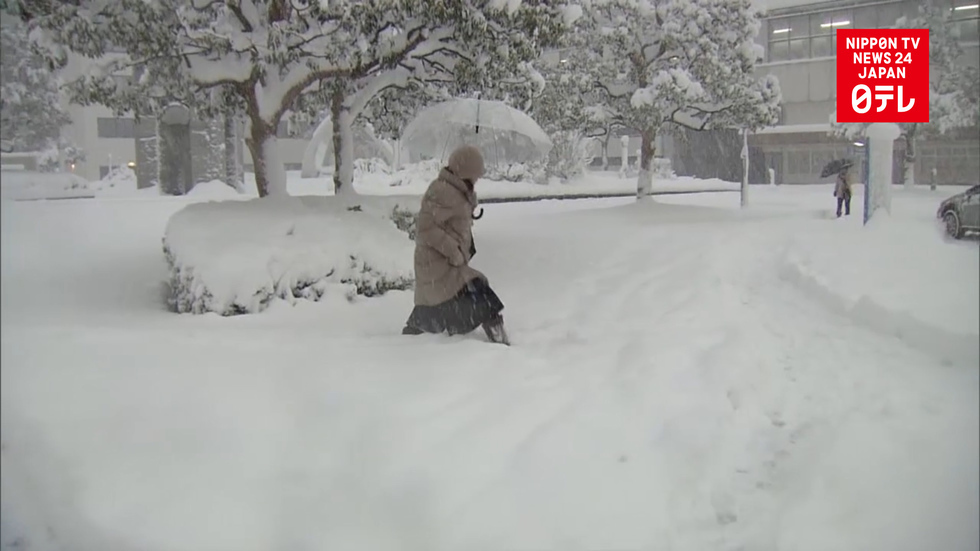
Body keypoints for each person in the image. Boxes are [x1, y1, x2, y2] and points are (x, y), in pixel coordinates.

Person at [402, 145, 510, 345]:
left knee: (460, 295)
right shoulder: (442, 191)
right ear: (465, 171)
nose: (477, 178)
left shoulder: (456, 189)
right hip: (437, 264)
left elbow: (453, 220)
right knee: (479, 292)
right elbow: (426, 230)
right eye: (476, 173)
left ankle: (422, 324)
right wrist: (454, 252)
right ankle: (499, 341)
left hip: (445, 265)